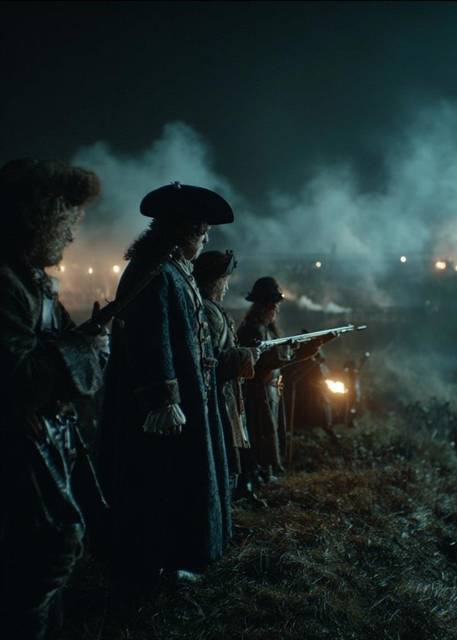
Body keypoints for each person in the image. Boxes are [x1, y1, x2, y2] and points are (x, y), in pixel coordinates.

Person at [97, 182, 234, 591]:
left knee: (177, 479)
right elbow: (149, 337)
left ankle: (173, 558)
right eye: (202, 231)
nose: (205, 240)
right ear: (183, 230)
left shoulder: (174, 270)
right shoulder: (153, 271)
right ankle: (151, 566)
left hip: (188, 393)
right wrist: (164, 399)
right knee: (157, 481)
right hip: (158, 406)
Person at [0, 158, 107, 640]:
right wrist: (85, 347)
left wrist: (88, 339)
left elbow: (58, 343)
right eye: (67, 221)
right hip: (16, 448)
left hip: (42, 443)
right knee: (45, 553)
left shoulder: (31, 280)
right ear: (38, 216)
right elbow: (18, 379)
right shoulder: (7, 283)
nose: (70, 237)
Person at [237, 277, 325, 483]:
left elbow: (283, 358)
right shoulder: (252, 329)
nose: (276, 309)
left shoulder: (267, 329)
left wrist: (309, 346)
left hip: (270, 389)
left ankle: (266, 471)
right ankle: (254, 475)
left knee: (270, 431)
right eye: (272, 304)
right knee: (258, 433)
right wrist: (293, 350)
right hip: (257, 390)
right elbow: (264, 361)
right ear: (265, 306)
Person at [193, 250, 258, 495]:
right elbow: (213, 359)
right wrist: (246, 355)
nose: (227, 286)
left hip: (225, 393)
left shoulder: (211, 309)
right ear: (216, 281)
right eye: (224, 280)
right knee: (223, 453)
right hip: (217, 396)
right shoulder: (208, 312)